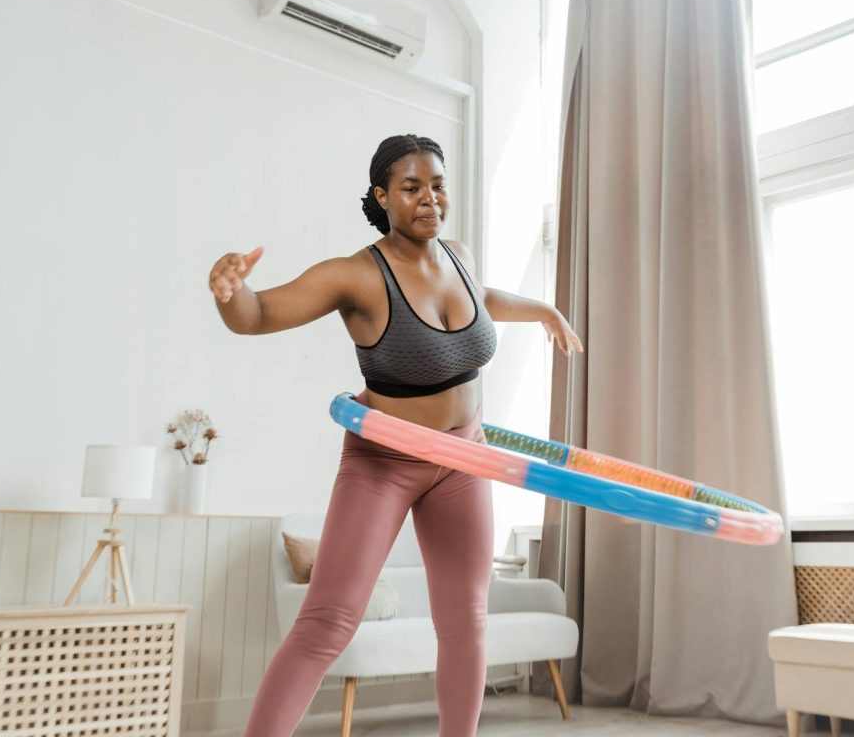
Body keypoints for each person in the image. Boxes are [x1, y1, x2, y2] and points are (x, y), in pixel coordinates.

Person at [210, 134, 583, 737]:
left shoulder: (458, 255)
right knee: (328, 622)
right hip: (384, 461)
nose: (429, 198)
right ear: (382, 196)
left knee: (465, 621)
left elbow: (480, 299)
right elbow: (258, 315)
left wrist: (543, 310)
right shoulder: (357, 275)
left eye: (438, 185)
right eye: (411, 188)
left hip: (463, 456)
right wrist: (232, 293)